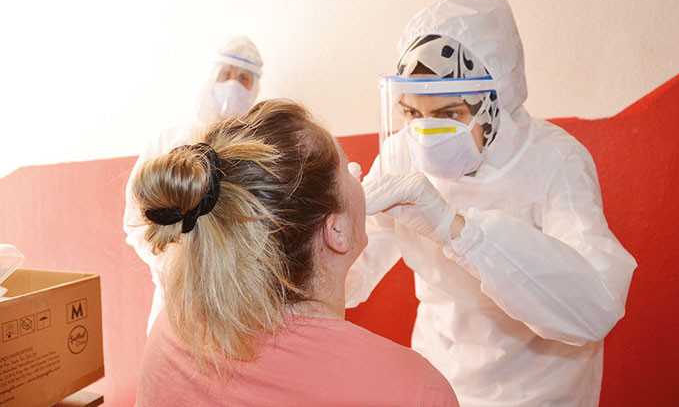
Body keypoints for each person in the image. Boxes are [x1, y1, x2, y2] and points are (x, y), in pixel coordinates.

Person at [345, 0, 638, 406]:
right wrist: (324, 231)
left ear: (494, 104)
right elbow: (351, 277)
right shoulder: (401, 154)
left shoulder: (553, 160)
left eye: (449, 114)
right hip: (437, 380)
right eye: (411, 112)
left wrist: (460, 232)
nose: (425, 134)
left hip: (537, 391)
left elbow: (594, 309)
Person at [133, 100, 459, 406]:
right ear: (337, 231)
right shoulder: (413, 390)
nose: (358, 171)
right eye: (346, 169)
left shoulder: (171, 331)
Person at [123, 35, 263, 332]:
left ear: (255, 89)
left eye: (243, 79)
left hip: (237, 302)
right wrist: (176, 266)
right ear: (209, 76)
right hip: (172, 300)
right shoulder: (167, 140)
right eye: (225, 74)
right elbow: (137, 217)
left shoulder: (258, 149)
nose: (233, 85)